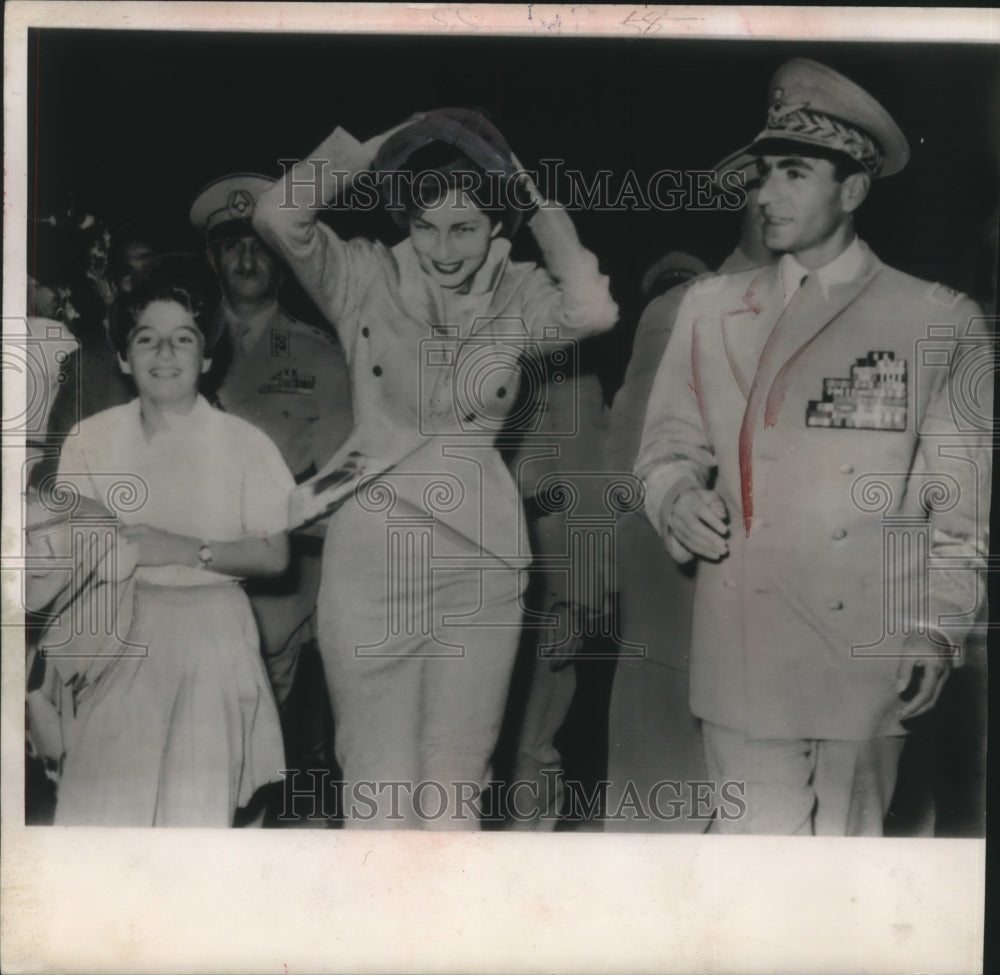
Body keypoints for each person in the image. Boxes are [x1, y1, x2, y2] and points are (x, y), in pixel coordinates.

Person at [635, 59, 991, 836]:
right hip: (741, 648)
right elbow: (663, 447)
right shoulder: (709, 308)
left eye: (793, 173)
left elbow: (957, 508)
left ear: (853, 189)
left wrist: (938, 620)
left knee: (851, 884)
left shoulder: (938, 320)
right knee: (757, 888)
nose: (765, 194)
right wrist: (675, 495)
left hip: (867, 656)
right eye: (763, 173)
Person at [253, 108, 618, 829]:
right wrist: (385, 139)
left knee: (457, 780)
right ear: (403, 220)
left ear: (497, 225)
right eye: (424, 226)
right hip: (374, 554)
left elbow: (595, 309)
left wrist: (527, 192)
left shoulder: (520, 294)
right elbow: (276, 215)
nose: (443, 249)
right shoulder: (361, 273)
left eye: (465, 228)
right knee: (375, 780)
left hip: (479, 560)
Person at [47, 253, 293, 826]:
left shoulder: (244, 443)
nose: (164, 354)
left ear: (207, 355)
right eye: (147, 340)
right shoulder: (89, 438)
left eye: (183, 339)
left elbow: (275, 555)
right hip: (113, 635)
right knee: (98, 817)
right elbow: (65, 554)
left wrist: (184, 549)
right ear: (125, 357)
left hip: (209, 639)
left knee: (192, 823)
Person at [604, 156, 776, 832]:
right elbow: (632, 463)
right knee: (665, 819)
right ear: (744, 198)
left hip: (788, 626)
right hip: (683, 610)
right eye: (769, 183)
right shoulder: (683, 308)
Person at [190, 175, 354, 733]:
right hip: (176, 578)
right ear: (211, 260)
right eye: (230, 245)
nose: (245, 257)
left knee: (249, 750)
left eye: (258, 244)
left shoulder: (322, 356)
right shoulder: (174, 341)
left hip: (273, 600)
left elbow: (341, 486)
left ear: (283, 257)